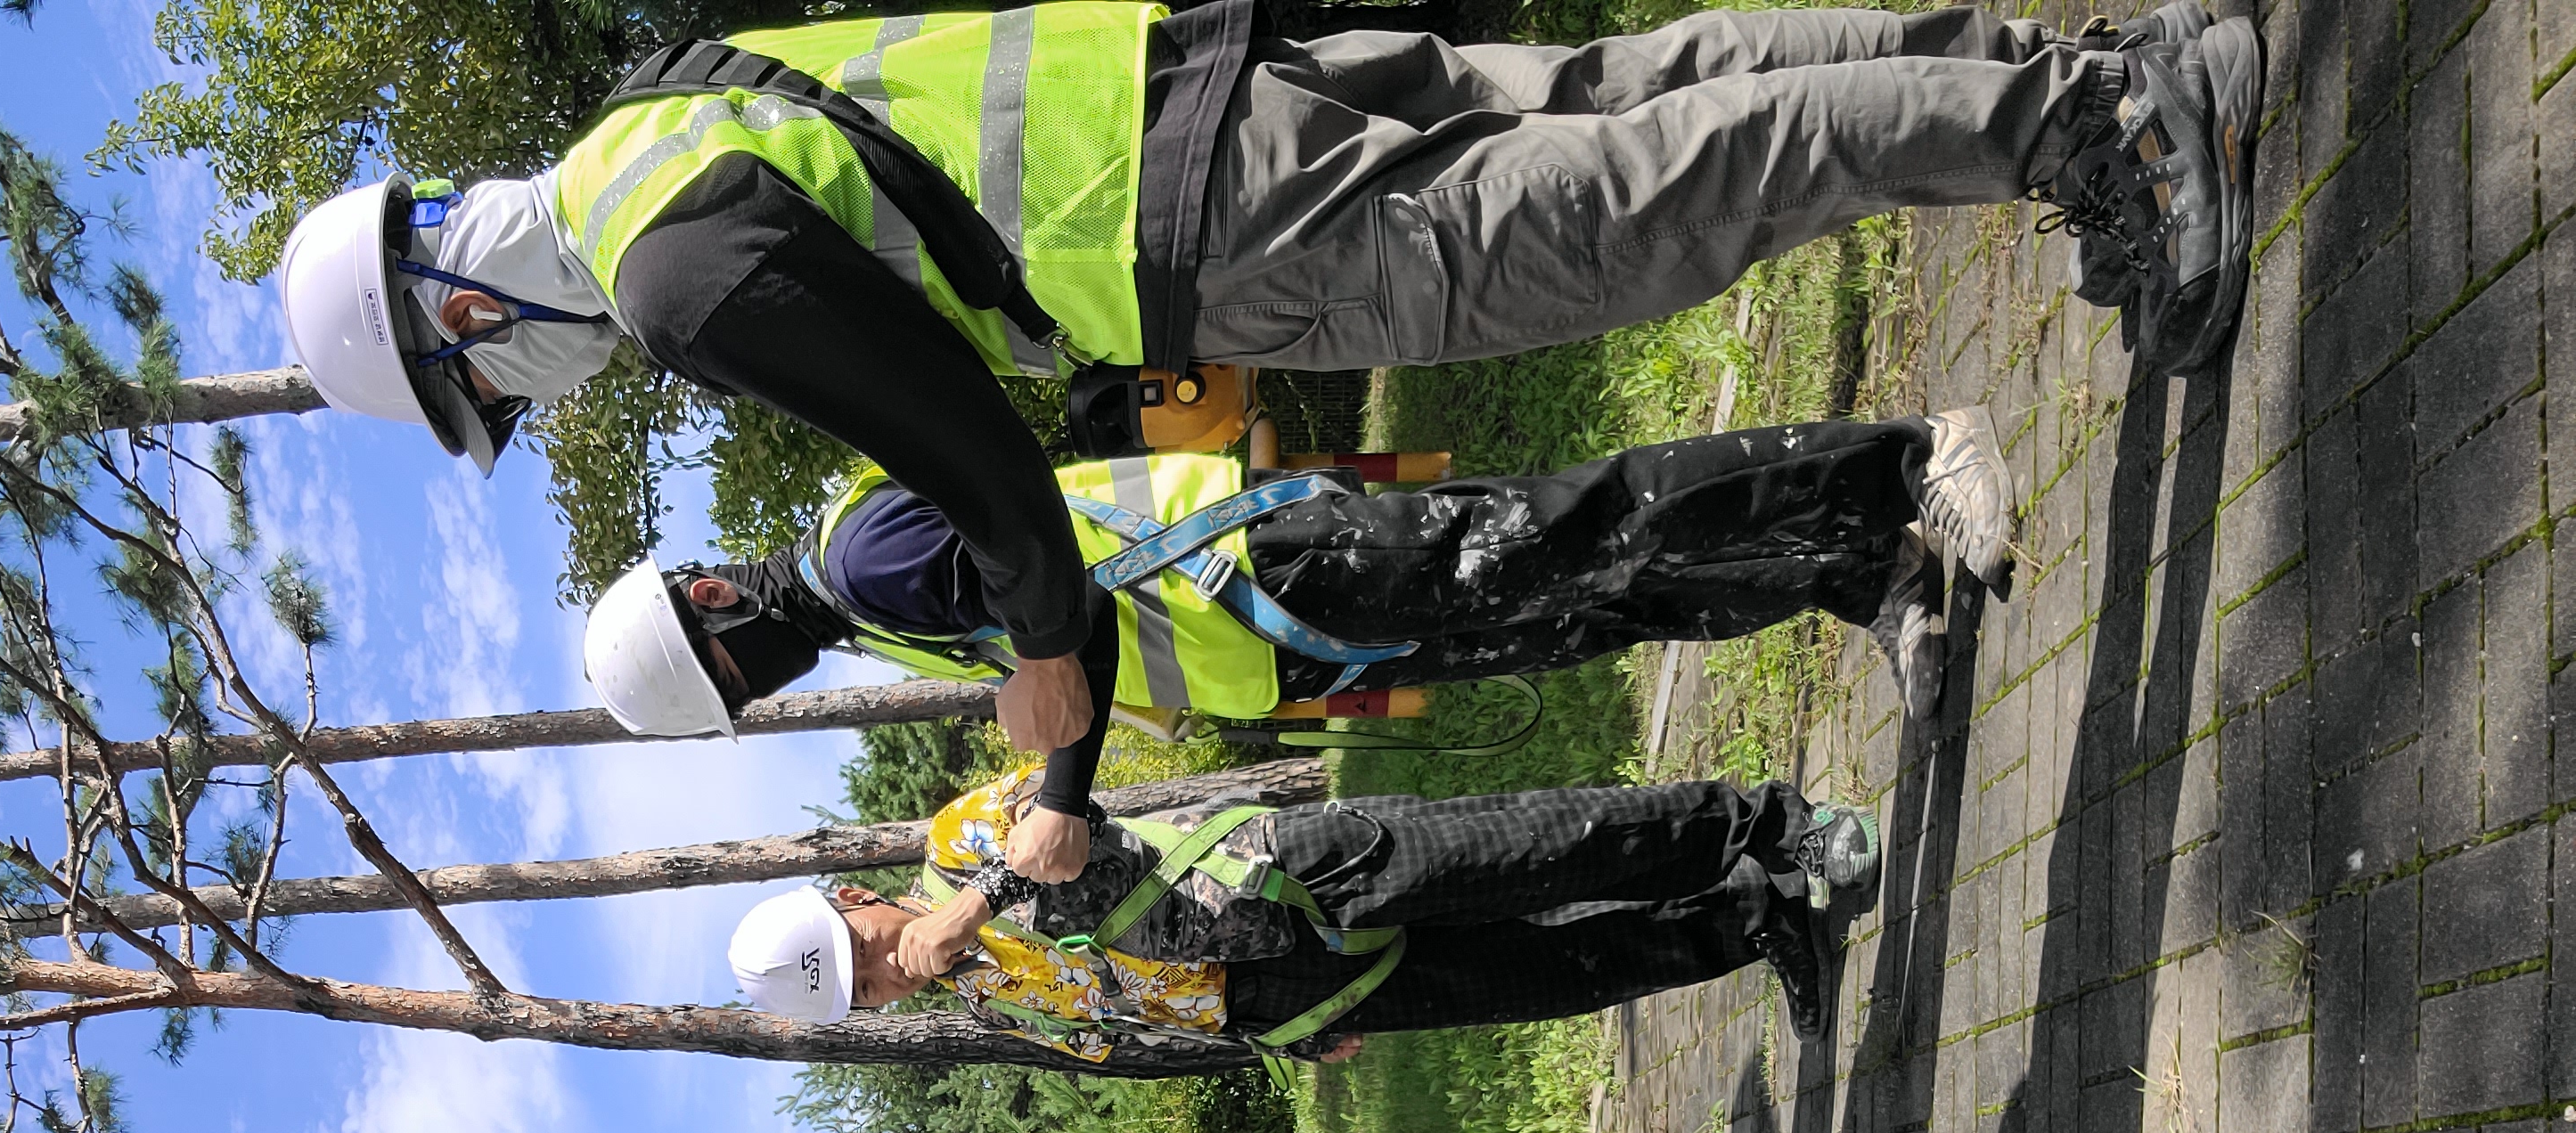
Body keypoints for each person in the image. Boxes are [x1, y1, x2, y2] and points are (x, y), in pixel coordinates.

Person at [275, 4, 2258, 756]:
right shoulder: (650, 116)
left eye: (496, 392)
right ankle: (2067, 47)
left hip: (1199, 241)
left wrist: (1048, 666)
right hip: (1194, 89)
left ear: (454, 304)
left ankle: (2100, 124)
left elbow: (967, 449)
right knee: (1622, 92)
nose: (538, 393)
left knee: (1627, 204)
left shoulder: (669, 268)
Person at [579, 413, 2015, 855]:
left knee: (1583, 531)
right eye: (731, 702)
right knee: (1595, 608)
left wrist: (1064, 802)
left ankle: (1900, 463)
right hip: (1279, 633)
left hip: (1265, 566)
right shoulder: (859, 598)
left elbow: (1047, 595)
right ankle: (1861, 570)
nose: (750, 688)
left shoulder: (858, 557)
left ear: (715, 604)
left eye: (723, 675)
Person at [726, 760, 1879, 1056]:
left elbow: (1060, 815)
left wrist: (964, 908)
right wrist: (1283, 1031)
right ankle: (1746, 922)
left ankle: (1775, 825)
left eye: (863, 952)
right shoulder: (990, 1011)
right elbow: (1124, 1018)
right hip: (1274, 987)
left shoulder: (953, 848)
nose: (885, 978)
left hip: (1284, 873)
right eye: (866, 993)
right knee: (1547, 977)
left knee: (1545, 850)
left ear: (857, 899)